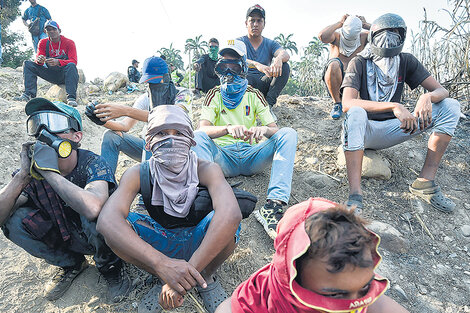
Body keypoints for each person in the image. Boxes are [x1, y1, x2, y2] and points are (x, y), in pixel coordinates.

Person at [97, 105, 242, 313]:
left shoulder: (206, 169)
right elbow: (107, 220)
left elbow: (231, 215)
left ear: (191, 141)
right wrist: (161, 265)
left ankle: (206, 277)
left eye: (179, 133)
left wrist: (184, 277)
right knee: (116, 231)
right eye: (162, 133)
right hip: (162, 241)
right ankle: (162, 277)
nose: (171, 140)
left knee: (228, 226)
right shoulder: (137, 173)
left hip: (201, 239)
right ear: (149, 143)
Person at [0, 98, 131, 303]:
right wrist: (22, 177)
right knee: (13, 220)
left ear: (76, 136)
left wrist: (51, 174)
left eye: (55, 123)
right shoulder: (32, 174)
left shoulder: (92, 163)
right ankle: (71, 264)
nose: (44, 132)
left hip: (99, 235)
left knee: (97, 212)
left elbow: (93, 207)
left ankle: (110, 268)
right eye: (37, 123)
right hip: (65, 235)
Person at [340, 13, 461, 212]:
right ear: (373, 36)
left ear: (402, 37)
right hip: (362, 131)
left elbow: (442, 91)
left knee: (450, 106)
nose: (389, 39)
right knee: (356, 113)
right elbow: (347, 103)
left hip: (392, 129)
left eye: (394, 34)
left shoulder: (405, 61)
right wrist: (395, 106)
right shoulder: (359, 62)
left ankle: (425, 181)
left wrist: (426, 97)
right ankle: (355, 194)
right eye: (384, 34)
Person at [216, 198, 410, 313]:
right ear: (291, 275)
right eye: (334, 295)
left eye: (366, 286)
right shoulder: (257, 302)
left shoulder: (349, 282)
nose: (353, 305)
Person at [192, 39, 297, 240]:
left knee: (289, 133)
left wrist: (261, 130)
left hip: (251, 156)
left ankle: (274, 206)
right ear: (218, 69)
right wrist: (228, 129)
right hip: (222, 159)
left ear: (243, 68)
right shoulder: (213, 95)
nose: (229, 73)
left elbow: (275, 130)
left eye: (234, 66)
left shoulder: (254, 95)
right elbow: (202, 130)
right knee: (197, 136)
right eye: (224, 67)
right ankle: (205, 197)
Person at [86, 56, 180, 174]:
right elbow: (125, 126)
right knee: (111, 137)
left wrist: (126, 110)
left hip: (175, 150)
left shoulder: (181, 95)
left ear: (166, 78)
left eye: (155, 81)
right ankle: (105, 184)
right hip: (147, 147)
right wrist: (101, 120)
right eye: (149, 82)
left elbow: (174, 120)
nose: (152, 85)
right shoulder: (146, 98)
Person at [14, 20, 79, 107]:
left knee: (71, 66)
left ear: (59, 31)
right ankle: (28, 95)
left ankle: (71, 98)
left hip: (64, 75)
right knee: (28, 64)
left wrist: (58, 62)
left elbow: (74, 61)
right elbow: (38, 59)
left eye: (54, 29)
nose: (51, 31)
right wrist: (39, 60)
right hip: (50, 74)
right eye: (48, 29)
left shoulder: (69, 42)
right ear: (45, 32)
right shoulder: (43, 42)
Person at [238, 4, 290, 110]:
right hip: (245, 83)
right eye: (252, 21)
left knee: (285, 66)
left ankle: (268, 105)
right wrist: (257, 65)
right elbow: (235, 58)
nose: (255, 24)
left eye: (259, 21)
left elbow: (285, 54)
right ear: (246, 23)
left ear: (264, 24)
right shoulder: (239, 42)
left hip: (263, 82)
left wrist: (279, 59)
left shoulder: (270, 43)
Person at [319, 14, 370, 119]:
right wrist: (340, 23)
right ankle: (337, 103)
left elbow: (383, 34)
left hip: (354, 85)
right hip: (336, 84)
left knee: (365, 63)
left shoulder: (363, 37)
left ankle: (358, 102)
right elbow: (322, 36)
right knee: (334, 64)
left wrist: (366, 25)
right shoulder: (336, 37)